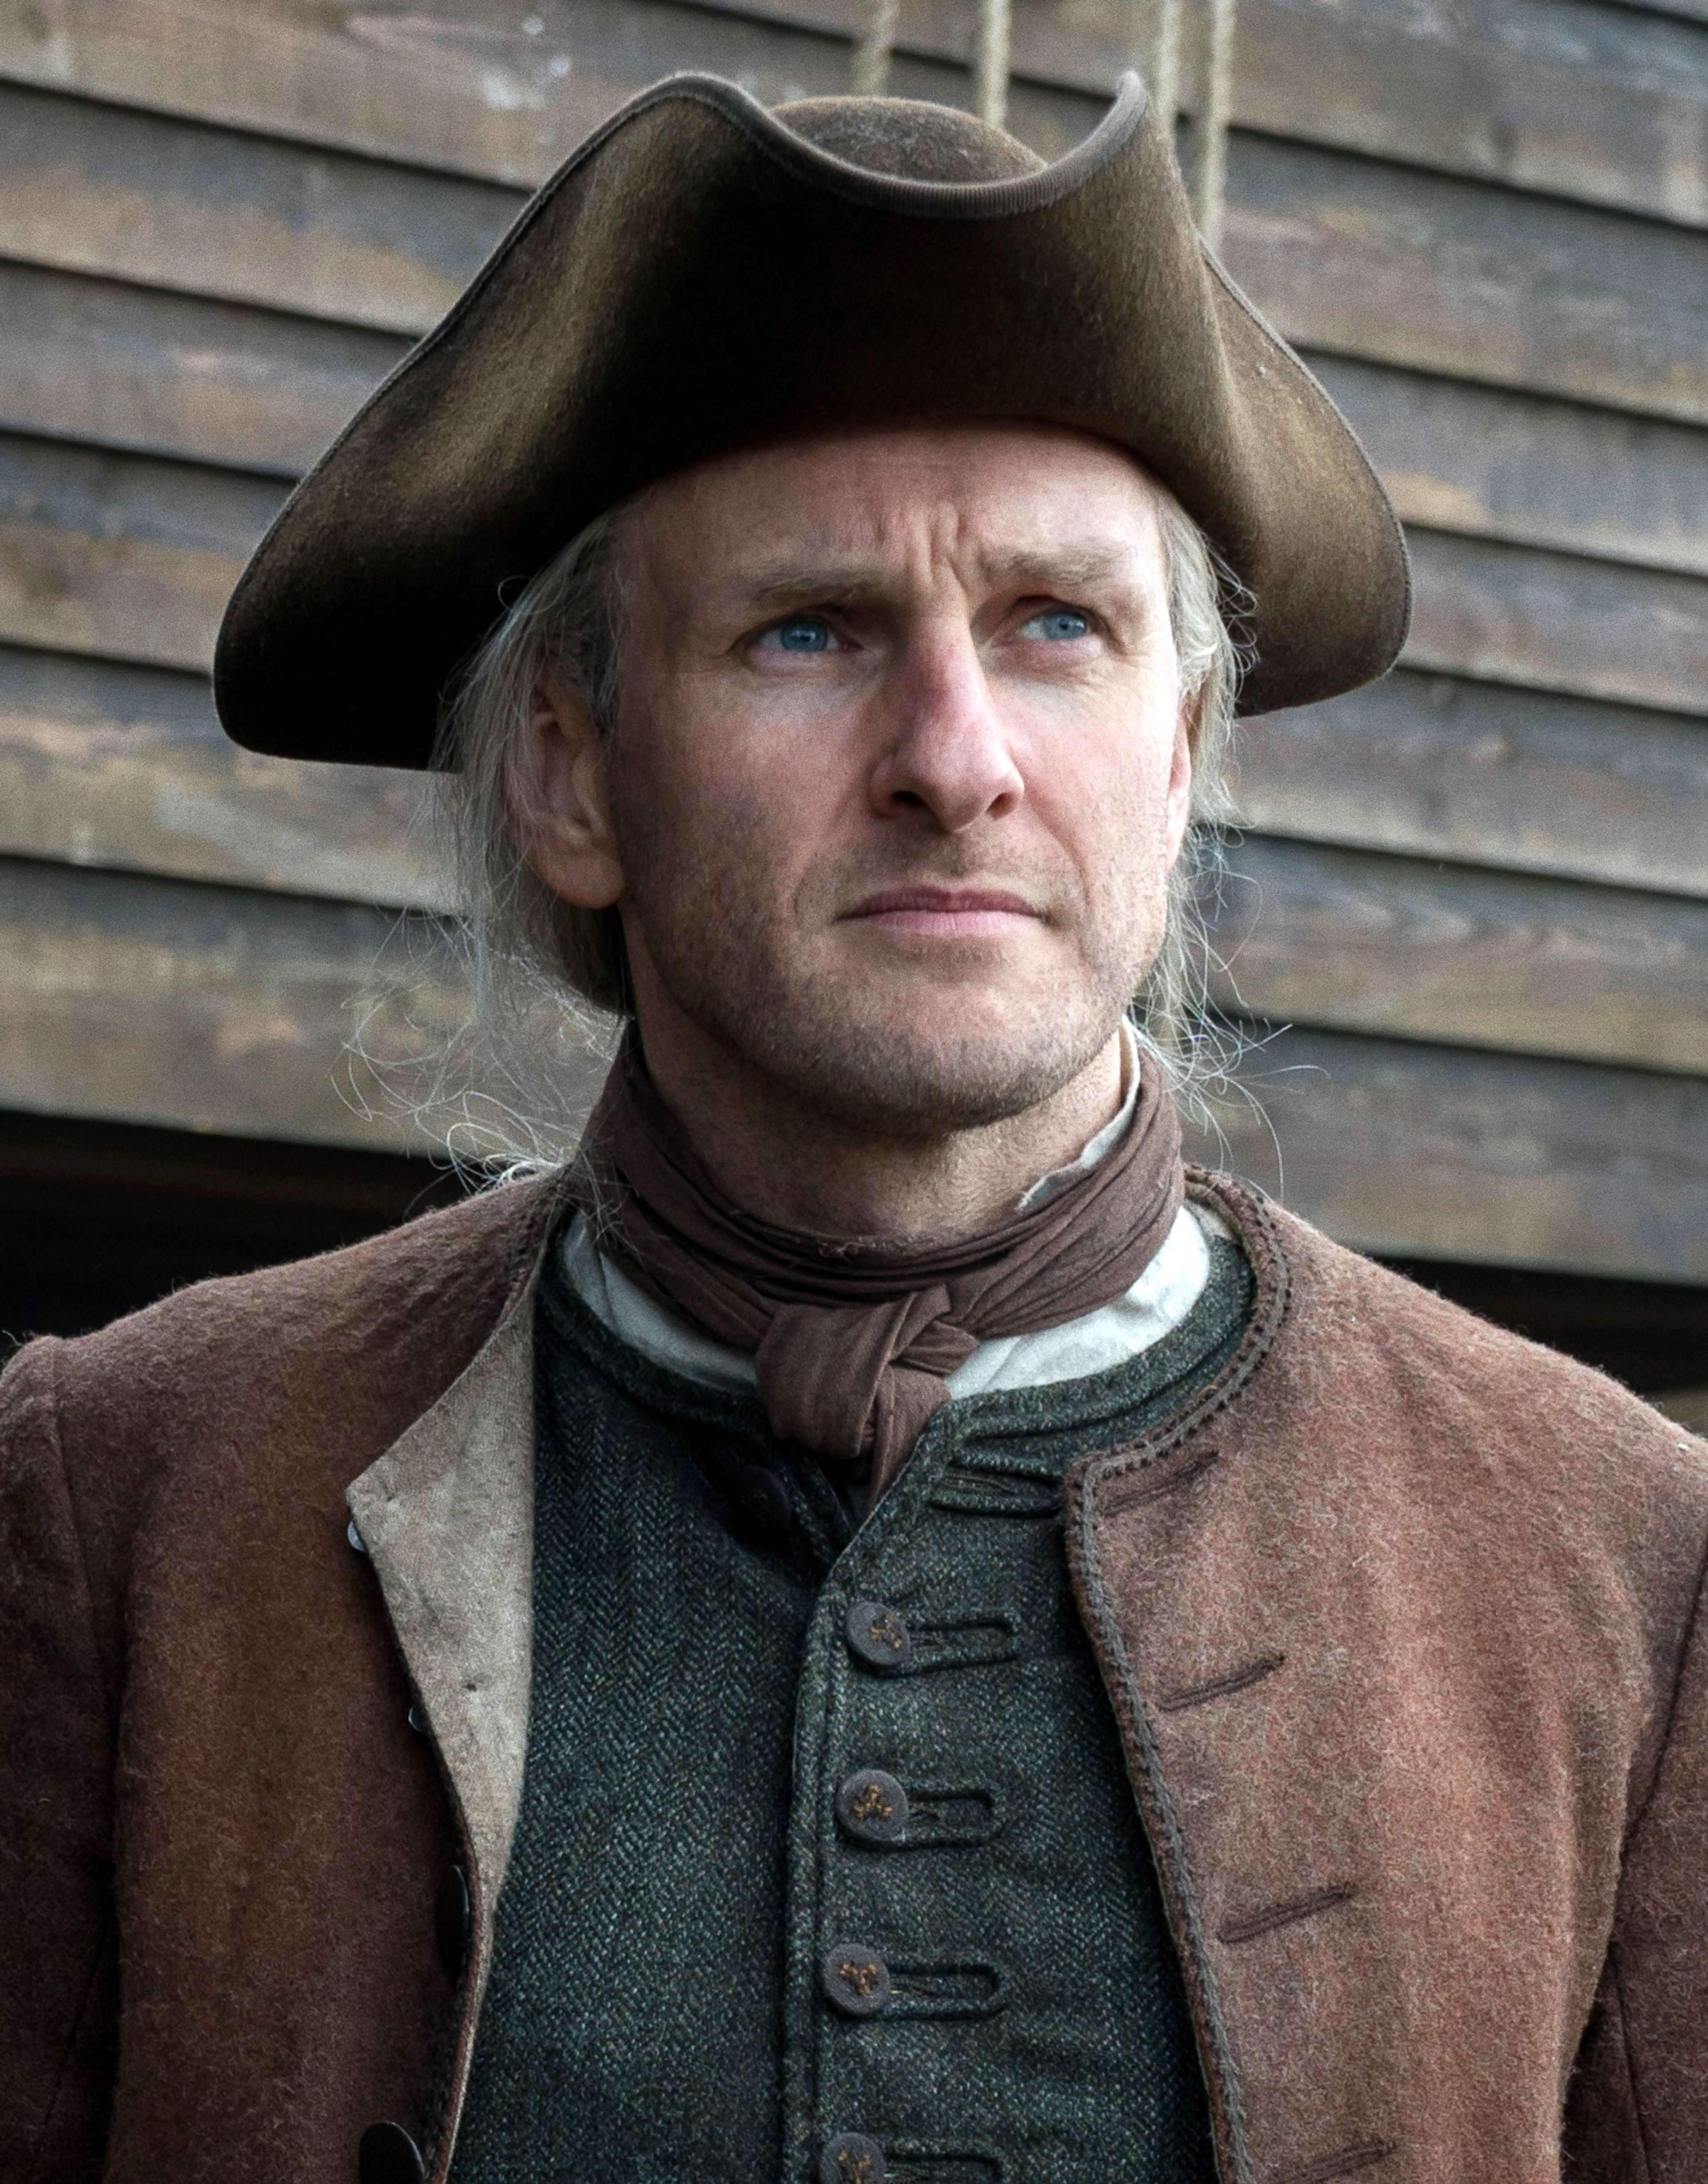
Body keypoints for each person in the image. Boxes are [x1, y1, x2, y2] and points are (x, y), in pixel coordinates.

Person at [3, 71, 1704, 2184]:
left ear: (1178, 756)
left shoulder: (1624, 1560)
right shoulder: (135, 1497)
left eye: (1055, 627)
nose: (956, 759)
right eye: (811, 628)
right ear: (571, 772)